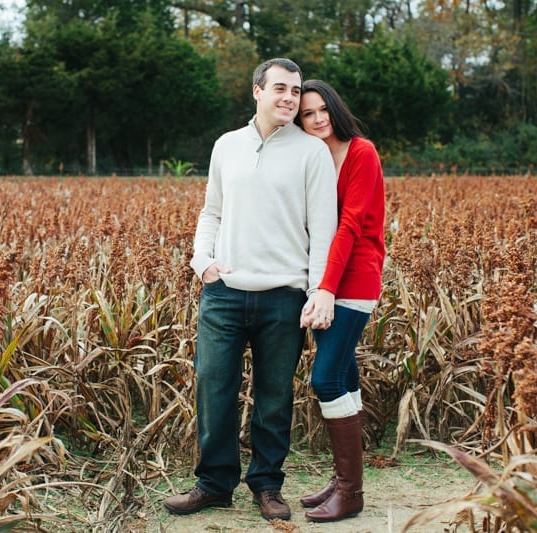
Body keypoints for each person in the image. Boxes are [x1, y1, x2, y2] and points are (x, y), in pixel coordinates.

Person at [163, 58, 338, 521]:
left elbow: (323, 229)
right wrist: (203, 264)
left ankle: (266, 485)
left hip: (284, 295)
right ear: (256, 91)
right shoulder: (227, 146)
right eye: (280, 88)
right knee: (213, 389)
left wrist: (320, 289)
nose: (290, 98)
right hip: (223, 293)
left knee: (274, 398)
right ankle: (214, 484)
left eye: (296, 91)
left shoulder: (311, 152)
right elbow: (211, 212)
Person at [294, 79, 386, 523]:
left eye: (322, 109)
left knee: (326, 378)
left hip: (353, 280)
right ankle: (342, 480)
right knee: (344, 375)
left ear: (335, 108)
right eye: (307, 114)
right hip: (322, 280)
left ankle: (350, 492)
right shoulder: (310, 157)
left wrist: (327, 290)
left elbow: (350, 225)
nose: (317, 119)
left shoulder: (361, 152)